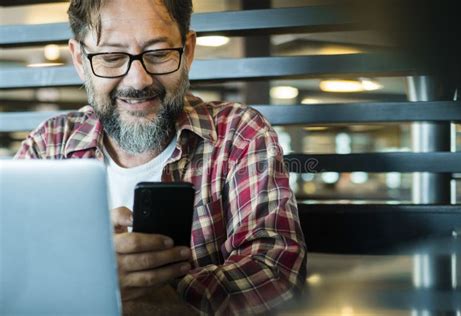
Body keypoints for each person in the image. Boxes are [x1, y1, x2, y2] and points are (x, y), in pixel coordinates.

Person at [15, 0, 306, 314]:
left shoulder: (239, 134)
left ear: (188, 51)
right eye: (111, 57)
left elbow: (277, 272)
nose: (138, 81)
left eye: (158, 54)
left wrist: (137, 294)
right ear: (79, 59)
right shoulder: (48, 145)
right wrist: (83, 278)